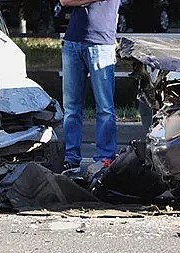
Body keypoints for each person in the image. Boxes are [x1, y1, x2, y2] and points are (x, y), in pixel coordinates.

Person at [60, 0, 119, 172]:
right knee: (71, 107)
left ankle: (105, 157)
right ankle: (70, 157)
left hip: (101, 43)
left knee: (105, 107)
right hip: (73, 41)